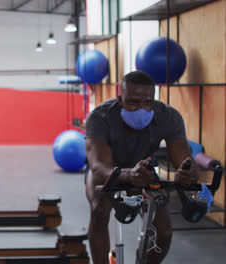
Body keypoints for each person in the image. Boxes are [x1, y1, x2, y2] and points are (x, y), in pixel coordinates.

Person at [85, 71, 200, 264]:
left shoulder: (168, 116)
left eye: (147, 102)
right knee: (99, 212)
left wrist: (188, 173)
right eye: (133, 102)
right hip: (108, 173)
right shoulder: (100, 116)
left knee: (163, 231)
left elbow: (184, 159)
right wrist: (128, 175)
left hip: (145, 173)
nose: (141, 109)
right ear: (120, 99)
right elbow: (98, 166)